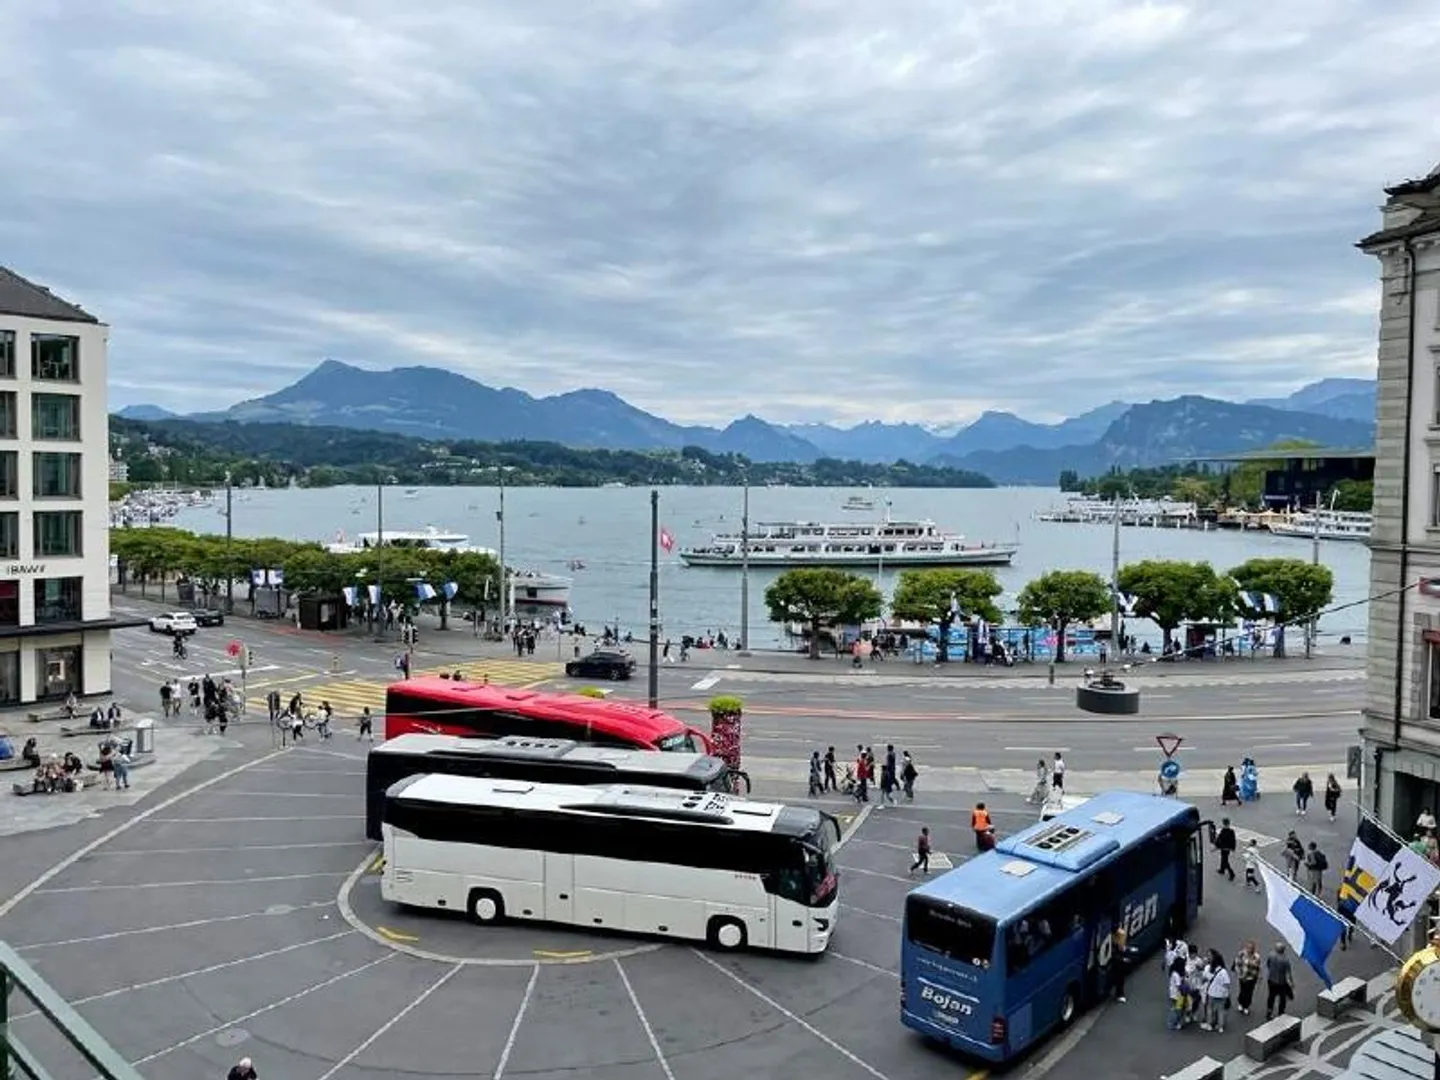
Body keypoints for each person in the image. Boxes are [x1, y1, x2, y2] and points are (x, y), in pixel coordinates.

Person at [1202, 950, 1231, 1033]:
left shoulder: (1210, 970)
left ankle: (1209, 1025)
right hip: (1222, 994)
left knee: (1210, 1009)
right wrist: (1227, 993)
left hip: (1212, 993)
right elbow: (1227, 983)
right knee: (1221, 1010)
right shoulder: (1223, 971)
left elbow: (1204, 979)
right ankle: (1220, 1027)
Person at [1264, 942, 1294, 1020]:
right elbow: (1288, 973)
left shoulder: (1271, 955)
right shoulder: (1285, 960)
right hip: (1281, 982)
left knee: (1271, 996)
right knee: (1282, 998)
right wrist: (1291, 983)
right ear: (1283, 950)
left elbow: (1268, 965)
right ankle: (1281, 1012)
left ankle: (1269, 1012)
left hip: (1271, 980)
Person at [1233, 940, 1261, 1015]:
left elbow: (1256, 967)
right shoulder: (1241, 954)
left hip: (1251, 977)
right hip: (1242, 976)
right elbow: (1237, 963)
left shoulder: (1256, 957)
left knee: (1249, 992)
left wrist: (1248, 962)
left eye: (1251, 948)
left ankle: (1246, 1006)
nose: (1249, 949)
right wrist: (1239, 973)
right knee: (1242, 991)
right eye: (1248, 948)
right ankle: (1241, 1003)